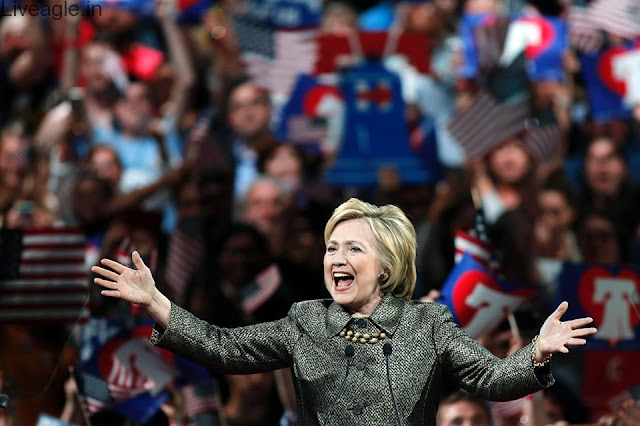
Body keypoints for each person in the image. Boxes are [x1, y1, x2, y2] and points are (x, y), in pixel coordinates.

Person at [92, 198, 597, 425]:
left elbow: (491, 379)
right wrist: (157, 302)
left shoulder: (428, 324)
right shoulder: (306, 321)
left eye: (354, 248)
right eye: (332, 248)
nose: (337, 258)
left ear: (386, 265)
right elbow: (224, 348)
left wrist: (536, 352)